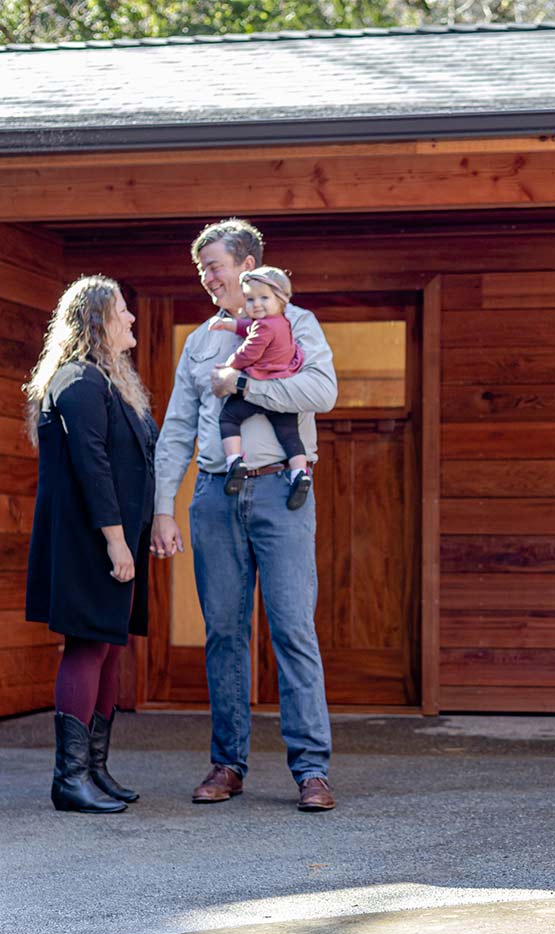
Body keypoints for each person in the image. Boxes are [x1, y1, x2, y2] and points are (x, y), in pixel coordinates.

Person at [151, 218, 337, 812]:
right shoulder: (201, 339)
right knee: (224, 634)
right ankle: (227, 765)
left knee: (292, 630)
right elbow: (178, 426)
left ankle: (311, 771)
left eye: (216, 265)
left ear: (249, 261)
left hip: (283, 494)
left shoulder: (298, 322)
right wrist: (163, 507)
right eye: (202, 268)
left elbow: (321, 394)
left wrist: (245, 387)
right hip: (213, 495)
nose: (208, 277)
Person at [24, 275, 157, 814]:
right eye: (122, 310)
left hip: (114, 538)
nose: (130, 319)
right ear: (98, 320)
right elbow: (92, 467)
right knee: (86, 646)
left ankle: (95, 770)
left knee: (107, 646)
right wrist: (116, 542)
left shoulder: (109, 380)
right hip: (89, 540)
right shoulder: (78, 380)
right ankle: (69, 779)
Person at [208, 266, 312, 510]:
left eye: (264, 298)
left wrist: (229, 366)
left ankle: (235, 462)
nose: (256, 305)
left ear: (281, 299)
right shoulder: (282, 322)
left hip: (258, 386)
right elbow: (249, 326)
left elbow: (250, 351)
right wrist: (229, 325)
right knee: (290, 435)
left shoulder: (264, 328)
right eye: (250, 299)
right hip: (281, 388)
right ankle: (300, 473)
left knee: (229, 417)